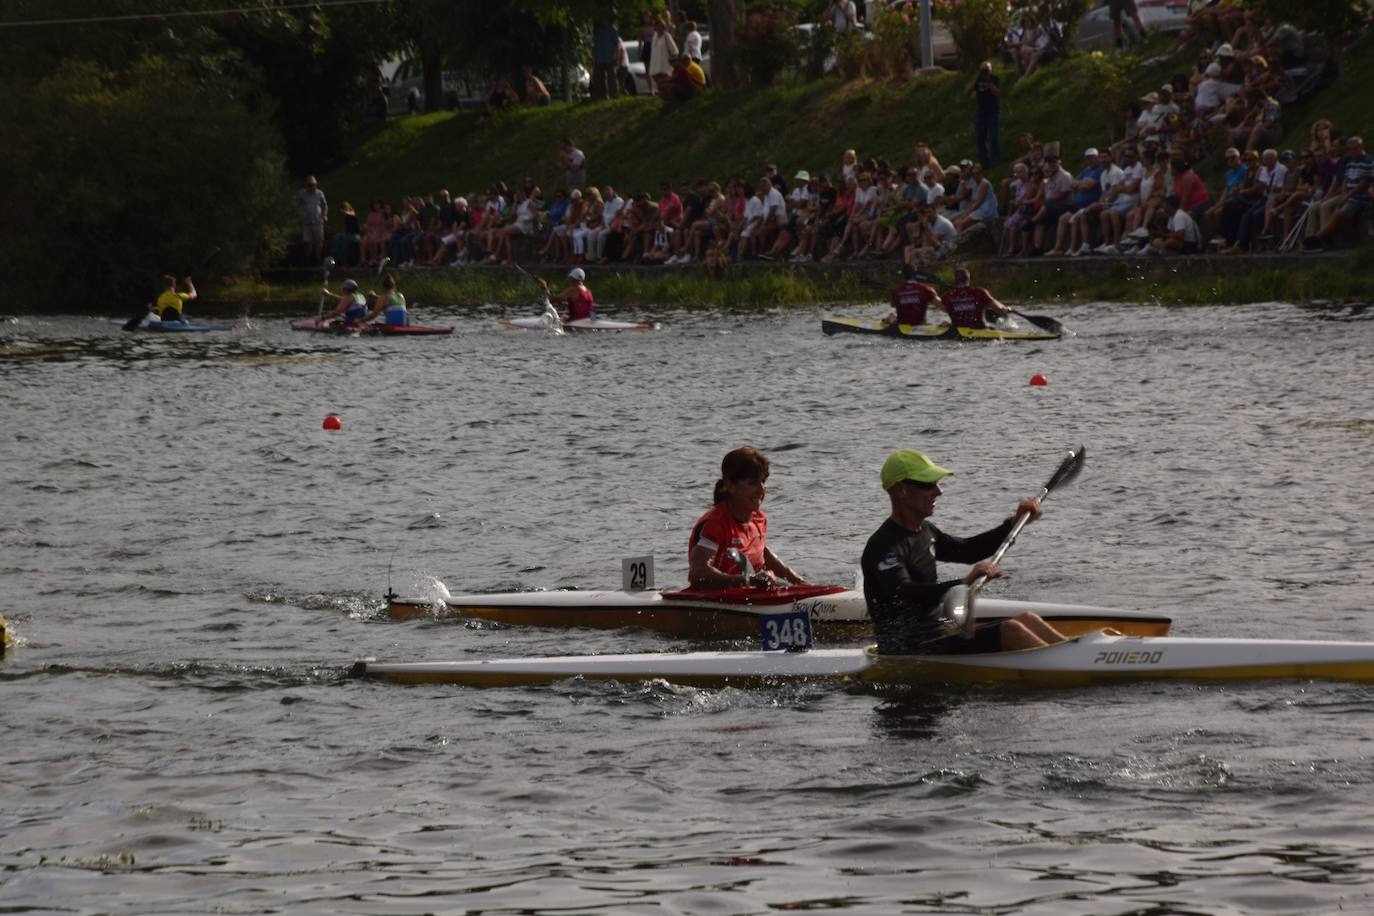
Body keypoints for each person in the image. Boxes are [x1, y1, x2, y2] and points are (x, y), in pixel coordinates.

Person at [861, 449, 1066, 654]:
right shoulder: (883, 546)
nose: (938, 491)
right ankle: (1071, 667)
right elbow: (904, 594)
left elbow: (967, 551)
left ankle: (1083, 655)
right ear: (900, 491)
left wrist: (1013, 523)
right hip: (906, 649)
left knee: (1027, 618)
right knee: (1011, 630)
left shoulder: (926, 531)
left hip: (936, 635)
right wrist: (963, 583)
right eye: (928, 485)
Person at [688, 446, 807, 590]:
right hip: (711, 601)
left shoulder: (758, 519)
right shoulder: (715, 524)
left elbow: (763, 553)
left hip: (748, 597)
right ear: (730, 486)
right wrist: (748, 580)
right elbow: (698, 574)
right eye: (753, 483)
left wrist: (802, 584)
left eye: (763, 481)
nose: (762, 490)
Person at [940, 267, 1009, 328]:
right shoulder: (979, 292)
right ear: (968, 279)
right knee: (995, 315)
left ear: (955, 280)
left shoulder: (947, 296)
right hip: (980, 328)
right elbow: (999, 310)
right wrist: (1007, 309)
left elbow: (947, 310)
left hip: (957, 330)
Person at [966, 61, 1001, 169]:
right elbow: (967, 93)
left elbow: (997, 92)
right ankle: (984, 162)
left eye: (986, 69)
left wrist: (989, 81)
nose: (985, 72)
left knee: (993, 137)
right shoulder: (977, 80)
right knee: (980, 138)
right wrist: (976, 78)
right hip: (981, 112)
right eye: (983, 70)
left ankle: (994, 160)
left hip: (993, 111)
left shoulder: (994, 78)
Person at [297, 175, 328, 264]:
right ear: (307, 185)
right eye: (310, 185)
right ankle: (308, 260)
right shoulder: (302, 193)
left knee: (319, 242)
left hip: (318, 220)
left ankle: (317, 260)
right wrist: (299, 213)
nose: (312, 186)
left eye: (314, 185)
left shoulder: (320, 193)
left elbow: (325, 205)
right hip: (307, 221)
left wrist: (325, 215)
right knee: (307, 242)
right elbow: (296, 203)